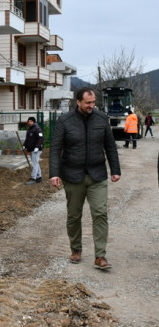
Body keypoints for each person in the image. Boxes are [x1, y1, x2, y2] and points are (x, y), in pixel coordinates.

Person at [49, 87, 121, 270]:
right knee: (74, 216)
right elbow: (55, 149)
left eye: (93, 102)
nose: (92, 105)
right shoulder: (64, 121)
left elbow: (110, 146)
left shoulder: (101, 119)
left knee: (100, 214)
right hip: (73, 176)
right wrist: (54, 173)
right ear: (78, 102)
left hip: (97, 175)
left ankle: (100, 256)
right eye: (88, 102)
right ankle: (76, 249)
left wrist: (115, 169)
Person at [23, 116, 43, 184]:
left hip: (36, 150)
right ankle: (39, 177)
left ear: (34, 122)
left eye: (31, 121)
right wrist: (24, 145)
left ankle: (33, 178)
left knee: (34, 163)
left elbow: (40, 138)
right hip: (31, 149)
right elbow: (27, 139)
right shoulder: (29, 129)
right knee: (36, 163)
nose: (29, 122)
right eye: (28, 121)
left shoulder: (37, 129)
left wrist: (37, 147)